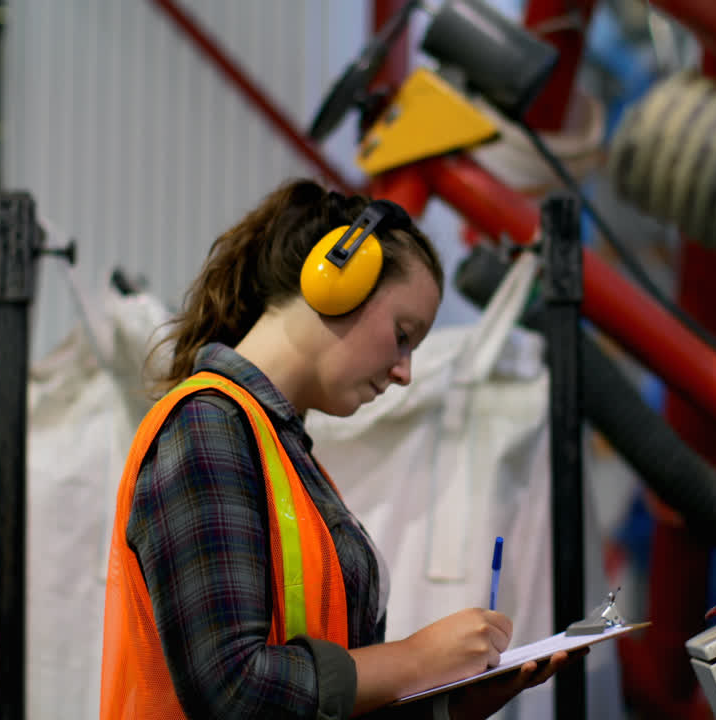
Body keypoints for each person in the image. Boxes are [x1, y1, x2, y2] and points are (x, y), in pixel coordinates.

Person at [100, 178, 580, 719]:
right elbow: (234, 691)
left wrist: (448, 708)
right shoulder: (205, 426)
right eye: (402, 334)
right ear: (336, 280)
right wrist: (417, 660)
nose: (404, 372)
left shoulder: (282, 457)